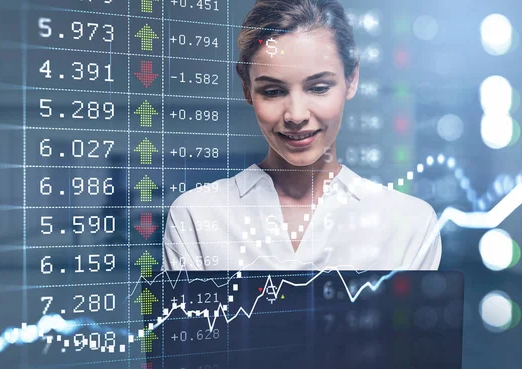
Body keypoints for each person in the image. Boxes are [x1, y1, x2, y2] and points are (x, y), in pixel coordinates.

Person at [163, 0, 442, 271]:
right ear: (247, 89)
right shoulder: (196, 216)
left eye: (318, 88)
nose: (296, 115)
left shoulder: (410, 224)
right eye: (273, 91)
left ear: (352, 79)